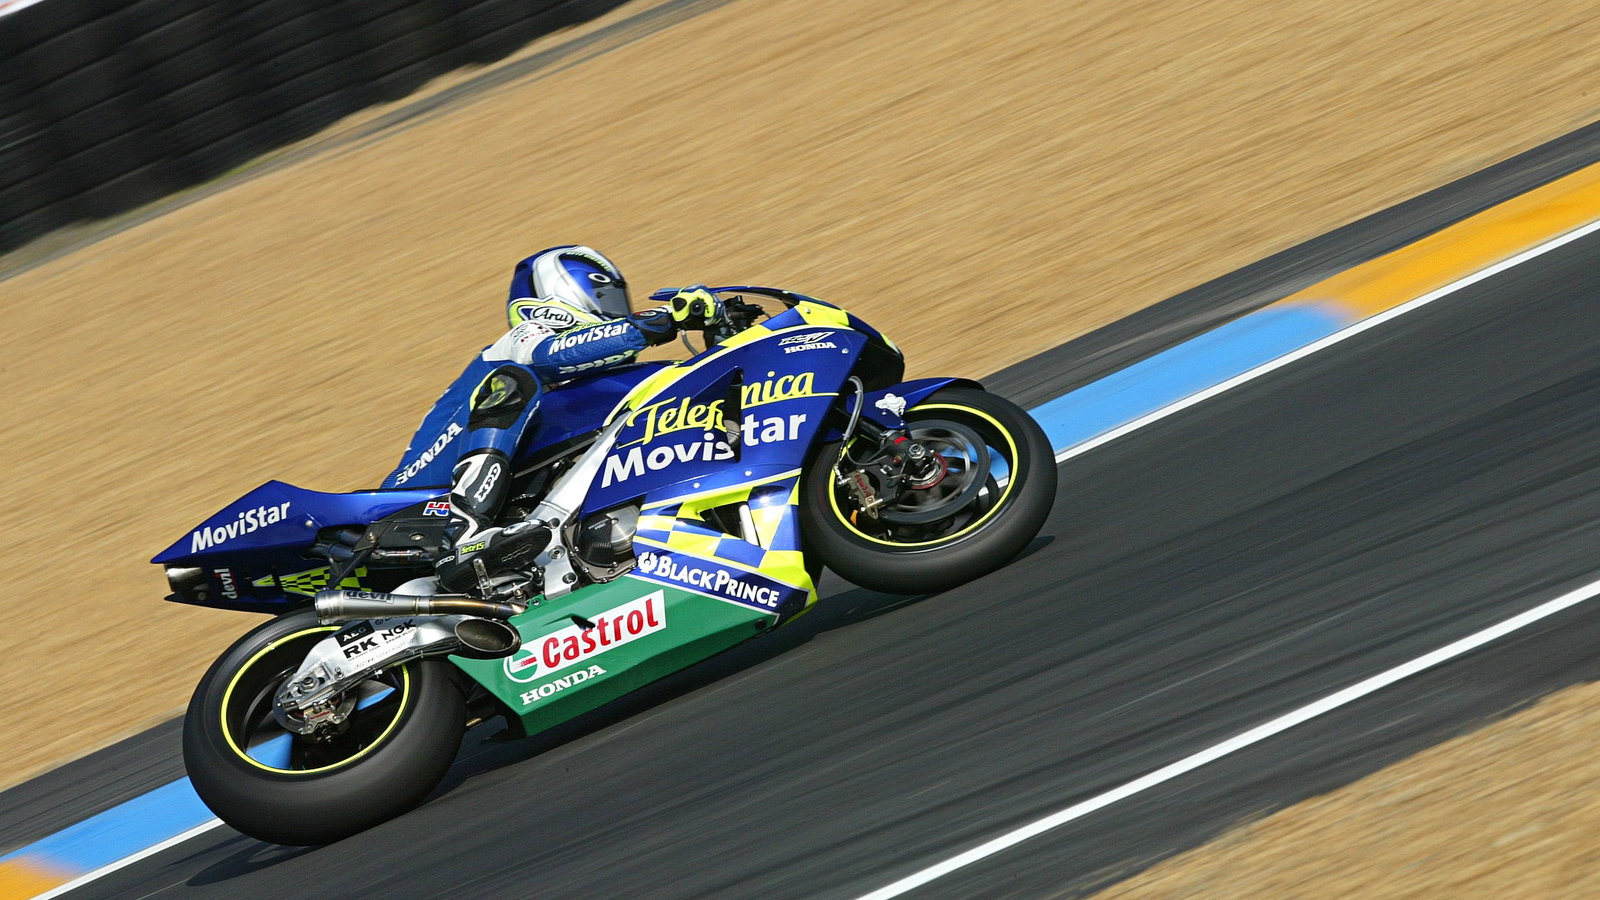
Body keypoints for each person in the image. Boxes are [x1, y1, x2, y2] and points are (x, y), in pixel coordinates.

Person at [379, 245, 725, 593]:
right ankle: (463, 527)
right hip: (415, 504)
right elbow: (546, 356)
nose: (620, 312)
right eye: (605, 296)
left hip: (497, 513)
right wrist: (661, 320)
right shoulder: (521, 340)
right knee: (514, 381)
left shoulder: (575, 384)